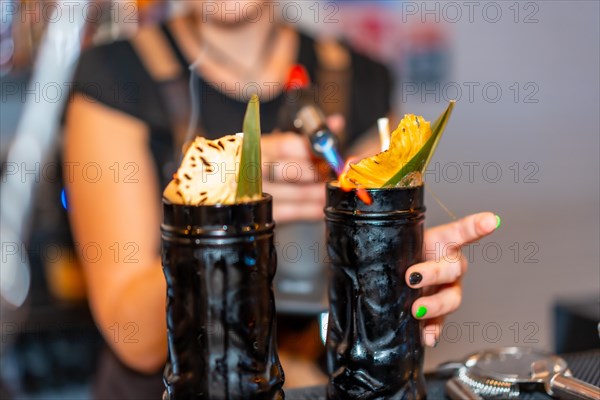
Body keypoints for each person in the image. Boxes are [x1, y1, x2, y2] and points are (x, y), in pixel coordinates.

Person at [64, 1, 499, 397]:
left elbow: (359, 292)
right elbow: (132, 339)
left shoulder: (362, 77)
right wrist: (222, 216)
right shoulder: (113, 76)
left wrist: (398, 270)